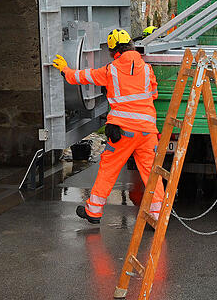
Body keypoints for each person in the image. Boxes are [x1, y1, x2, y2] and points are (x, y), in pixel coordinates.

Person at [52, 29, 165, 224]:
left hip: (122, 131)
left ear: (113, 51)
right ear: (130, 45)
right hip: (147, 131)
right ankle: (158, 216)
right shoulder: (146, 69)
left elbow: (80, 77)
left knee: (108, 171)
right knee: (152, 174)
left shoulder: (110, 70)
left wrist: (64, 69)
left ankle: (93, 212)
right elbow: (153, 93)